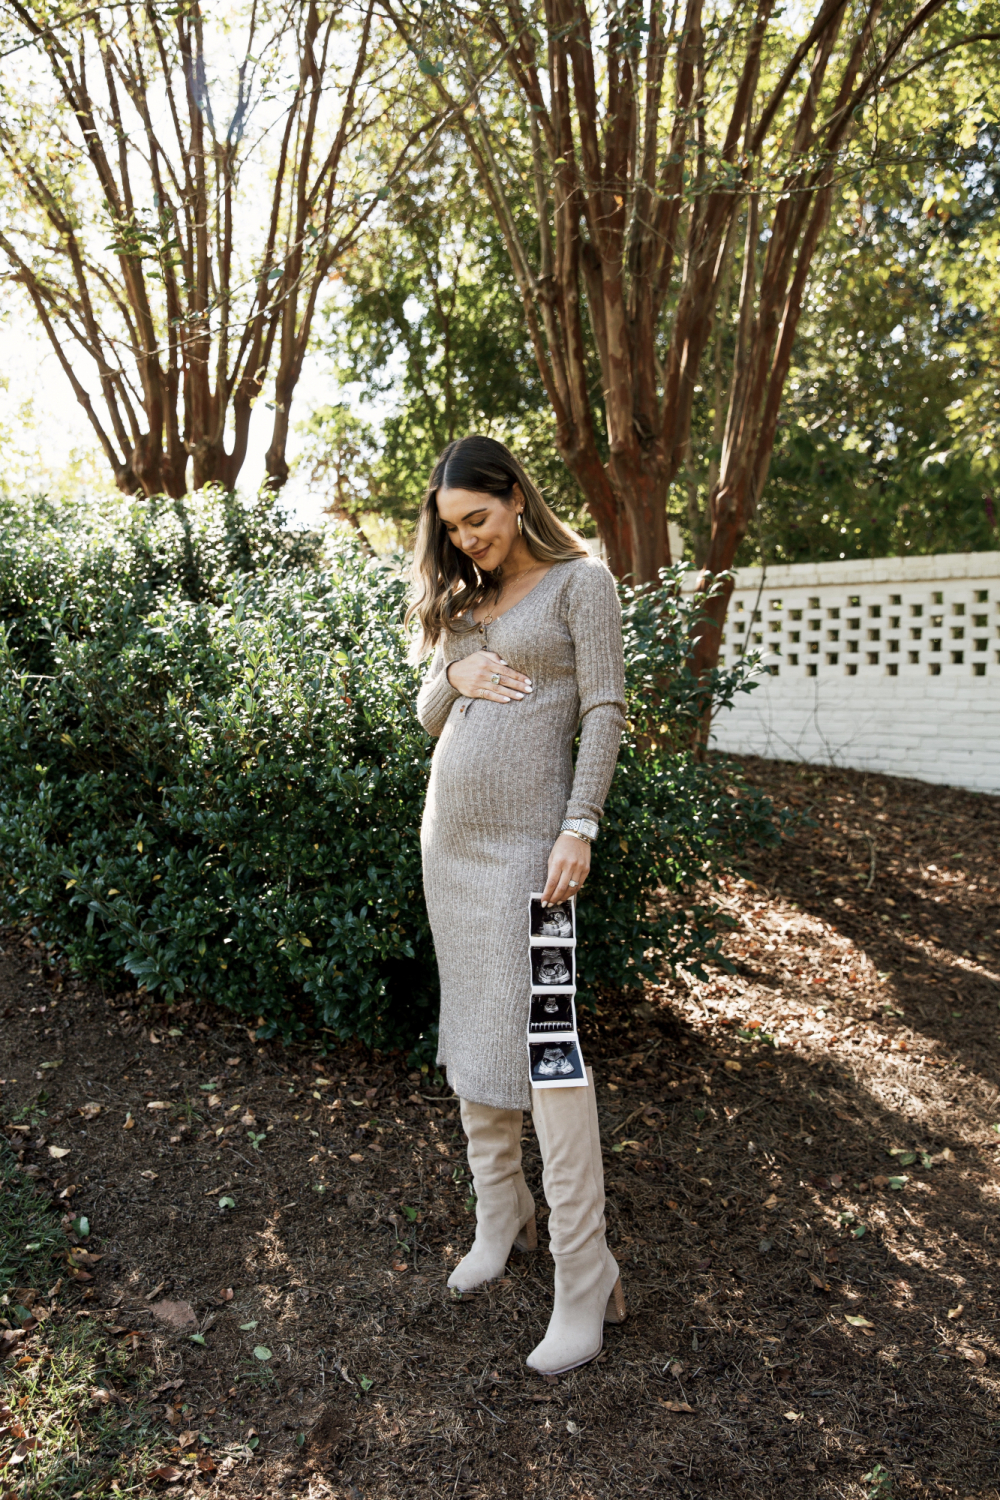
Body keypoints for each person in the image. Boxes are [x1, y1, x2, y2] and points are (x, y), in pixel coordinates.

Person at [407, 434, 627, 1376]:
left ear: (515, 498)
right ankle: (504, 1217)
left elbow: (606, 711)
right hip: (449, 850)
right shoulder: (464, 601)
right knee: (472, 1026)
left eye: (479, 520)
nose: (468, 541)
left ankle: (588, 1273)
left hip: (534, 855)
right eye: (453, 529)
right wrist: (451, 675)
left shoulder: (583, 583)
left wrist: (579, 825)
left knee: (548, 1044)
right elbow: (429, 712)